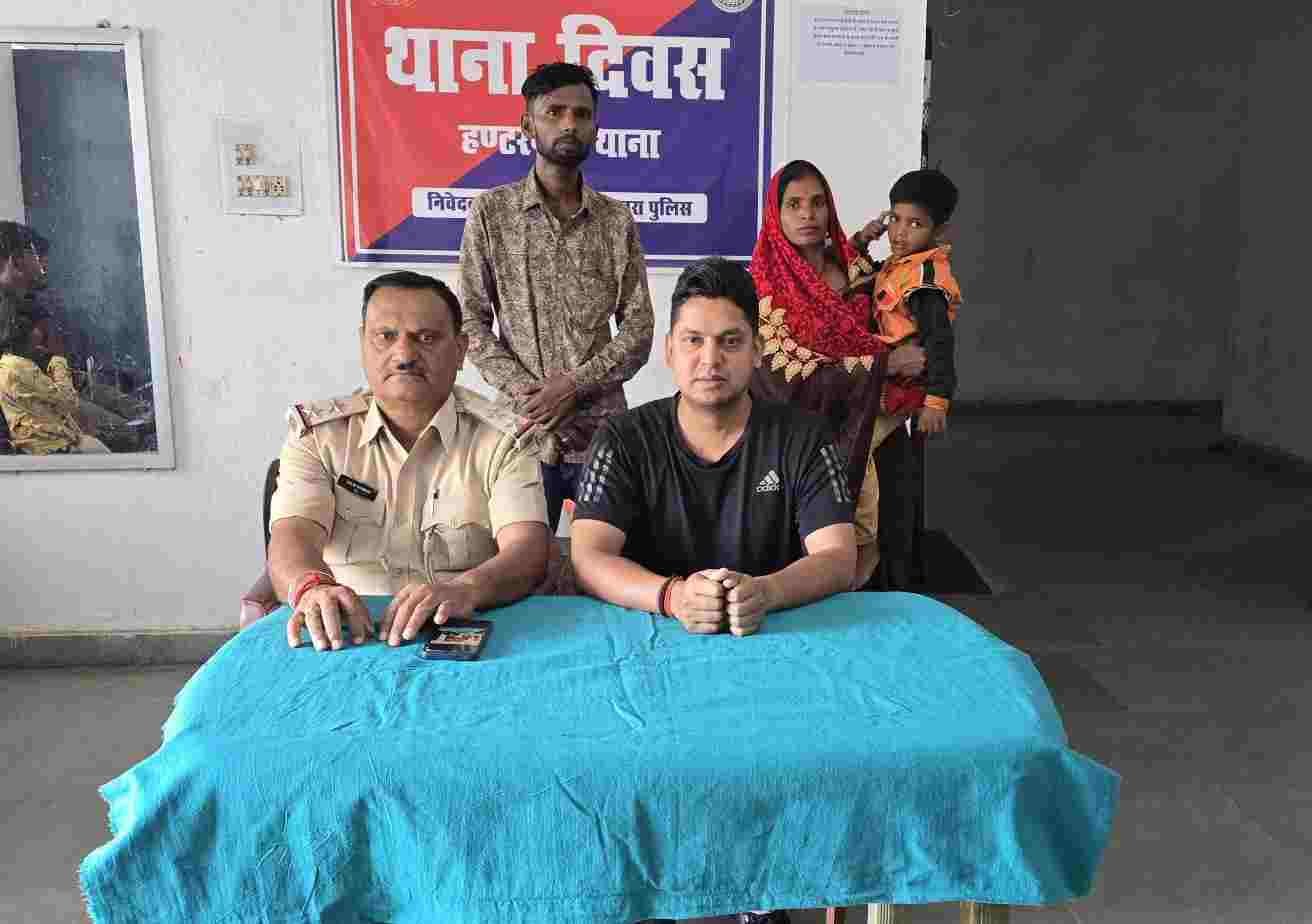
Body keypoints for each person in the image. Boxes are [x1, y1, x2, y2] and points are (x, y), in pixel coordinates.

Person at [266, 271, 551, 653]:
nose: (404, 355)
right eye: (386, 336)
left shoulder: (504, 440)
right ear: (363, 343)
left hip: (464, 625)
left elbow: (527, 551)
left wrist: (465, 589)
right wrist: (312, 588)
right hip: (348, 633)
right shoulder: (319, 437)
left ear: (461, 350)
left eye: (426, 338)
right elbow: (293, 535)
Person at [459, 61, 655, 533]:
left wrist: (574, 385)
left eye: (581, 114)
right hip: (521, 434)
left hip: (601, 437)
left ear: (595, 128)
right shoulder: (492, 213)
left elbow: (639, 327)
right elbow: (469, 319)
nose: (569, 124)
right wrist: (532, 396)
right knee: (520, 564)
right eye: (555, 112)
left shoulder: (615, 221)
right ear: (527, 124)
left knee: (608, 562)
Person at [747, 161, 926, 589]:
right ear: (775, 214)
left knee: (892, 547)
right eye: (794, 205)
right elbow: (784, 375)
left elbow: (894, 320)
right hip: (806, 446)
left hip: (881, 434)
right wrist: (885, 364)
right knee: (819, 566)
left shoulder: (856, 268)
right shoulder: (765, 289)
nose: (808, 214)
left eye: (817, 202)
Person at [847, 169, 963, 586]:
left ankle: (866, 547)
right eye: (895, 219)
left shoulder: (926, 281)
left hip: (902, 390)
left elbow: (940, 345)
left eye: (915, 224)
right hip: (882, 378)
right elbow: (859, 279)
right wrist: (862, 240)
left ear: (937, 230)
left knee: (856, 453)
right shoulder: (900, 265)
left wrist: (936, 401)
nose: (900, 231)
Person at [0, 221, 110, 454]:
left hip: (54, 403)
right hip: (38, 432)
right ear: (16, 261)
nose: (42, 262)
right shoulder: (9, 313)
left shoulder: (26, 303)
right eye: (34, 253)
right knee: (119, 435)